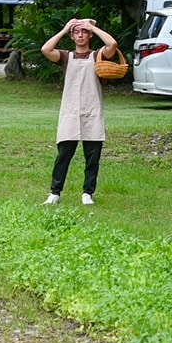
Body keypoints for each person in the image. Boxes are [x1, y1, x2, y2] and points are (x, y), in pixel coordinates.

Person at [40, 18, 118, 206]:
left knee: (92, 157)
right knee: (63, 156)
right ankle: (55, 192)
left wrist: (92, 26)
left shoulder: (98, 55)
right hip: (70, 111)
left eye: (84, 32)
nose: (80, 35)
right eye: (76, 32)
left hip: (92, 110)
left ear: (90, 34)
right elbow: (45, 49)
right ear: (72, 36)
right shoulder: (66, 57)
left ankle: (87, 193)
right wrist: (65, 28)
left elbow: (112, 43)